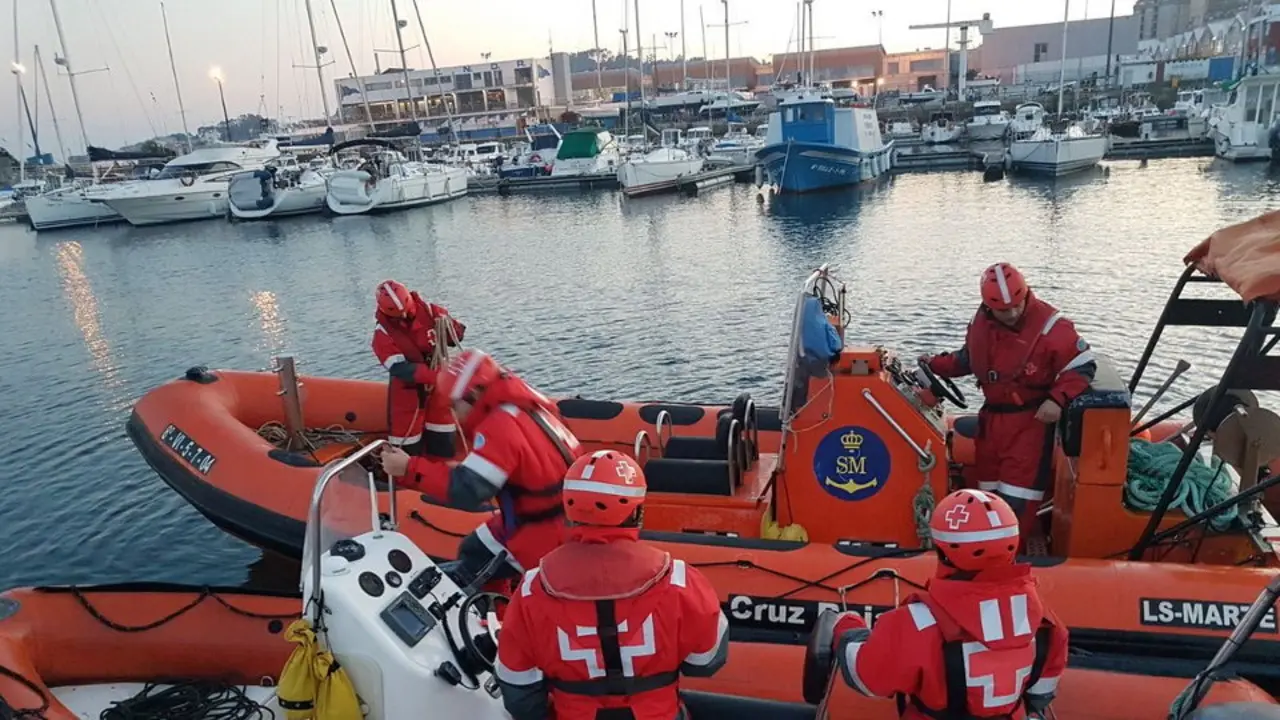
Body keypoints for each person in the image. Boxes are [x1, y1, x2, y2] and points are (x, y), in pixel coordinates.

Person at [494, 451, 730, 720]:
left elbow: (518, 689)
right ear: (637, 510)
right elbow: (706, 662)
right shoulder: (679, 579)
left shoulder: (531, 588)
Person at [829, 489, 1068, 720]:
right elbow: (1041, 693)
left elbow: (866, 677)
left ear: (943, 552)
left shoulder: (916, 623)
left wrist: (846, 626)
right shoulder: (1044, 620)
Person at [376, 349, 581, 586]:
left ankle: (486, 613)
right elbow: (525, 466)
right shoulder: (528, 407)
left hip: (540, 532)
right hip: (557, 518)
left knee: (475, 561)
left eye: (455, 405)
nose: (454, 414)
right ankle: (499, 602)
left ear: (473, 393)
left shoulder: (500, 425)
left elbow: (468, 492)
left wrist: (409, 468)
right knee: (475, 547)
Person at [921, 263, 1096, 536]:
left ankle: (1012, 552)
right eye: (1004, 309)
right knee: (988, 493)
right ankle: (985, 544)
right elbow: (968, 359)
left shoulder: (1053, 328)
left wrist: (1058, 399)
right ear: (988, 306)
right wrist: (934, 364)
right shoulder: (981, 326)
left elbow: (1082, 366)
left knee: (1018, 497)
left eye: (1017, 304)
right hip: (991, 421)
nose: (1013, 313)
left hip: (1030, 423)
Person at [372, 280, 466, 459]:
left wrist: (448, 324)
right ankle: (406, 483)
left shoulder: (431, 313)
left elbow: (457, 337)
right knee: (406, 445)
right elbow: (400, 369)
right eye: (400, 315)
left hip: (439, 389)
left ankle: (441, 475)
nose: (405, 315)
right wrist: (435, 377)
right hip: (408, 393)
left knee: (443, 435)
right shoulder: (382, 333)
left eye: (407, 311)